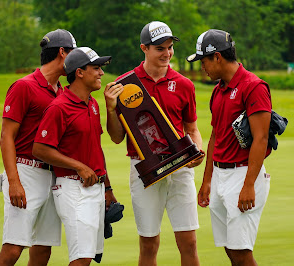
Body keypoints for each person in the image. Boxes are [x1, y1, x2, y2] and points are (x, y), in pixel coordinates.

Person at [105, 21, 204, 266]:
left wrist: (198, 149)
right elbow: (117, 137)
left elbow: (191, 127)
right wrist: (110, 109)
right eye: (160, 48)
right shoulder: (124, 84)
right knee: (149, 242)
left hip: (179, 165)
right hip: (145, 167)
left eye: (170, 47)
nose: (167, 54)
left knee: (188, 241)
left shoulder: (183, 84)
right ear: (144, 48)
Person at [187, 29, 272, 266]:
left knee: (241, 252)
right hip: (220, 176)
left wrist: (248, 185)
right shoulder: (218, 90)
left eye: (203, 61)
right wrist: (206, 181)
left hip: (244, 174)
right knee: (230, 249)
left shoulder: (253, 86)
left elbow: (261, 138)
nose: (202, 67)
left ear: (217, 57)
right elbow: (216, 136)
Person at [0, 29, 77, 266]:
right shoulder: (24, 86)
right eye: (73, 52)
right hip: (26, 172)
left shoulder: (61, 91)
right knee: (13, 249)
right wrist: (14, 181)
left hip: (52, 176)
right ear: (62, 52)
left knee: (43, 250)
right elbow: (6, 136)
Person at [32, 47, 117, 266]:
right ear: (79, 72)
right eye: (96, 68)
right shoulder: (59, 107)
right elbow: (40, 149)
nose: (101, 73)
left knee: (88, 257)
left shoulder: (93, 104)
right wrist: (78, 166)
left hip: (95, 188)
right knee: (81, 259)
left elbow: (96, 149)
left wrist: (107, 188)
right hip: (73, 188)